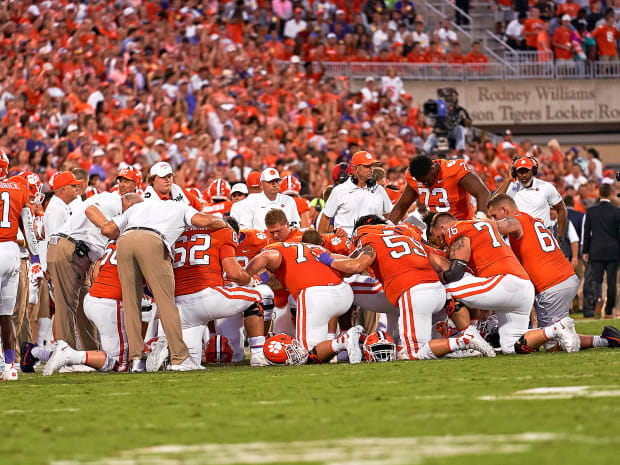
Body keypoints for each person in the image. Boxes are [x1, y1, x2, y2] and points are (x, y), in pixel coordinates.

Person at [315, 215, 495, 360]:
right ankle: (463, 336)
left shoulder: (369, 239)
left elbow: (355, 267)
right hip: (436, 291)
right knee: (418, 342)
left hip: (412, 292)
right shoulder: (407, 236)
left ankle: (464, 340)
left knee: (412, 353)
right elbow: (444, 265)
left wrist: (327, 259)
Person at [101, 194, 229, 372]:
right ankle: (179, 357)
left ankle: (136, 360)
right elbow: (204, 221)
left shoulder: (138, 207)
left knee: (131, 304)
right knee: (166, 302)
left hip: (124, 241)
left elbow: (107, 230)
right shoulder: (181, 207)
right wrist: (224, 223)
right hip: (153, 240)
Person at [429, 212, 580, 354]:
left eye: (435, 236)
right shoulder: (479, 227)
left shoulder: (455, 228)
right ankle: (557, 328)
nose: (440, 242)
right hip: (521, 287)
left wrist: (438, 275)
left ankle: (468, 340)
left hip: (504, 282)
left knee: (444, 289)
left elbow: (455, 273)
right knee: (512, 347)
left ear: (442, 227)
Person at [245, 239, 362, 363]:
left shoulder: (271, 252)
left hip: (315, 295)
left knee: (305, 354)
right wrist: (262, 277)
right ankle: (347, 342)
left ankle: (342, 341)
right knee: (319, 346)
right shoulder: (315, 249)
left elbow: (267, 258)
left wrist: (247, 278)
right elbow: (348, 267)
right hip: (344, 293)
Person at [42, 240, 130, 375]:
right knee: (119, 364)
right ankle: (69, 355)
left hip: (93, 299)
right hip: (109, 304)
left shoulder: (115, 242)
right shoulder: (135, 246)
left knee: (116, 355)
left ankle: (40, 353)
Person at [0, 154, 42, 380]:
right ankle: (9, 367)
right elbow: (28, 227)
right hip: (13, 254)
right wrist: (35, 261)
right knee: (6, 314)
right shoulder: (18, 187)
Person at [389, 155, 490, 224]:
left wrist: (481, 218)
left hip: (460, 224)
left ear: (433, 169)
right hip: (433, 229)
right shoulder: (415, 178)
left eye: (425, 180)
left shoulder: (452, 171)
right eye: (420, 181)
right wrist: (388, 226)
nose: (424, 184)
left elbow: (483, 192)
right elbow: (401, 206)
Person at [318, 151, 393, 235]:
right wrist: (321, 241)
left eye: (371, 166)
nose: (371, 169)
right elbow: (325, 217)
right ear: (356, 168)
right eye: (367, 166)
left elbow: (388, 215)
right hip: (347, 240)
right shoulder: (339, 191)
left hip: (373, 239)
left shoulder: (379, 190)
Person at [496, 156, 568, 241]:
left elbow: (562, 209)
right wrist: (508, 180)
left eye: (527, 171)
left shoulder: (546, 187)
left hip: (541, 238)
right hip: (518, 238)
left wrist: (559, 236)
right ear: (515, 173)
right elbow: (494, 203)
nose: (524, 175)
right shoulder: (511, 188)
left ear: (533, 171)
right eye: (520, 172)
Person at [582, 184, 620, 318]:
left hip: (596, 251)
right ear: (610, 194)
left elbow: (586, 232)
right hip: (613, 252)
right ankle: (609, 310)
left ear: (599, 194)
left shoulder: (591, 211)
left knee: (596, 280)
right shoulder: (617, 211)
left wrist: (585, 250)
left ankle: (598, 299)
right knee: (611, 281)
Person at [233, 168, 300, 230]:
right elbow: (245, 228)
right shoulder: (252, 201)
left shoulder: (289, 200)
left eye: (277, 181)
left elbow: (295, 226)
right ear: (261, 184)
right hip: (260, 241)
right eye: (270, 182)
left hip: (283, 241)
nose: (275, 184)